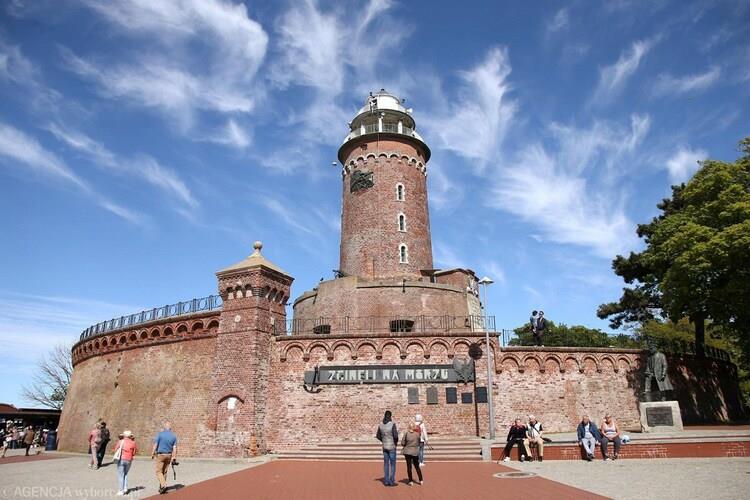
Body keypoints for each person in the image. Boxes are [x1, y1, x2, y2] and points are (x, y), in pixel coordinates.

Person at [151, 421, 178, 494]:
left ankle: (163, 485)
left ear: (164, 427)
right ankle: (162, 488)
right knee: (164, 472)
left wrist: (152, 453)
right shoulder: (173, 436)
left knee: (158, 471)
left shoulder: (160, 434)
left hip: (161, 455)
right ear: (170, 428)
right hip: (169, 455)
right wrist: (174, 457)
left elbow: (155, 444)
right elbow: (175, 448)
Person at [375, 410, 398, 487]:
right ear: (390, 416)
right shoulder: (392, 424)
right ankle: (391, 481)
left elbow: (378, 436)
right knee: (393, 464)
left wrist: (383, 440)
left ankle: (386, 481)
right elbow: (395, 436)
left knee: (386, 464)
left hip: (384, 447)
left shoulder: (380, 425)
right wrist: (395, 443)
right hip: (392, 446)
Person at [114, 430, 138, 496]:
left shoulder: (120, 441)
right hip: (129, 460)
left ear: (124, 435)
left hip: (121, 459)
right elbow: (134, 452)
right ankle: (125, 488)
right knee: (126, 473)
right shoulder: (133, 443)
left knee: (121, 475)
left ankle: (121, 490)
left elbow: (115, 449)